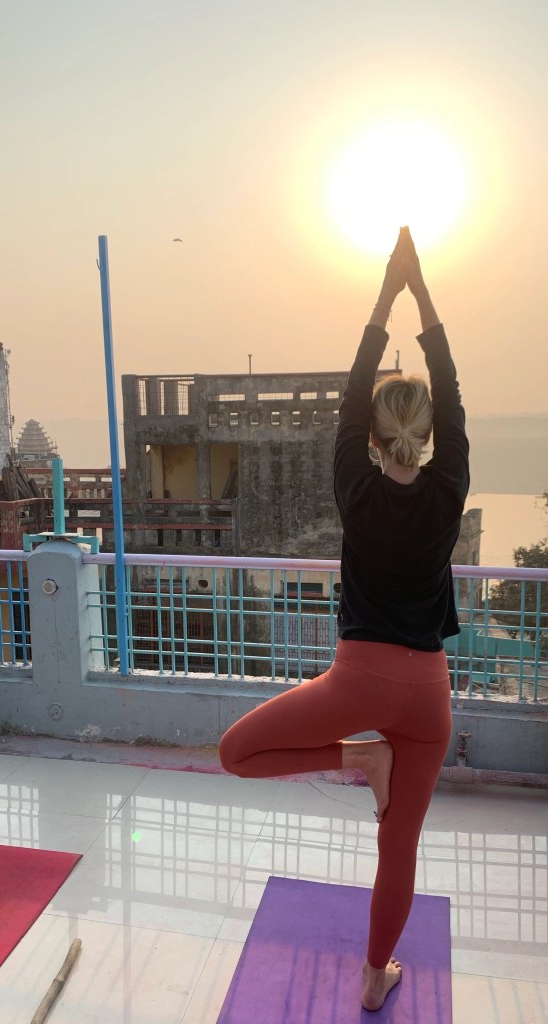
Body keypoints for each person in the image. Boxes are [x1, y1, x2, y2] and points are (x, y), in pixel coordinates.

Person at [219, 228, 470, 1010]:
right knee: (400, 849)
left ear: (367, 436)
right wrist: (420, 291)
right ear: (429, 437)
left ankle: (357, 760)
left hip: (356, 685)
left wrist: (387, 297)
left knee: (236, 754)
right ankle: (374, 981)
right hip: (427, 693)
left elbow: (353, 394)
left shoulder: (354, 488)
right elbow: (452, 388)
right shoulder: (449, 485)